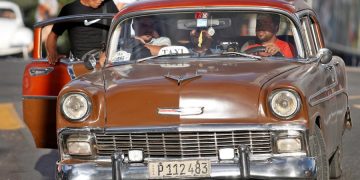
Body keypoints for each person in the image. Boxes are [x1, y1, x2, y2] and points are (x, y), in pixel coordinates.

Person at [46, 0, 118, 65]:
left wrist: (109, 52)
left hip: (106, 61)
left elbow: (120, 29)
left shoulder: (109, 4)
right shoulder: (69, 10)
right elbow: (53, 36)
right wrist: (52, 53)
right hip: (80, 65)